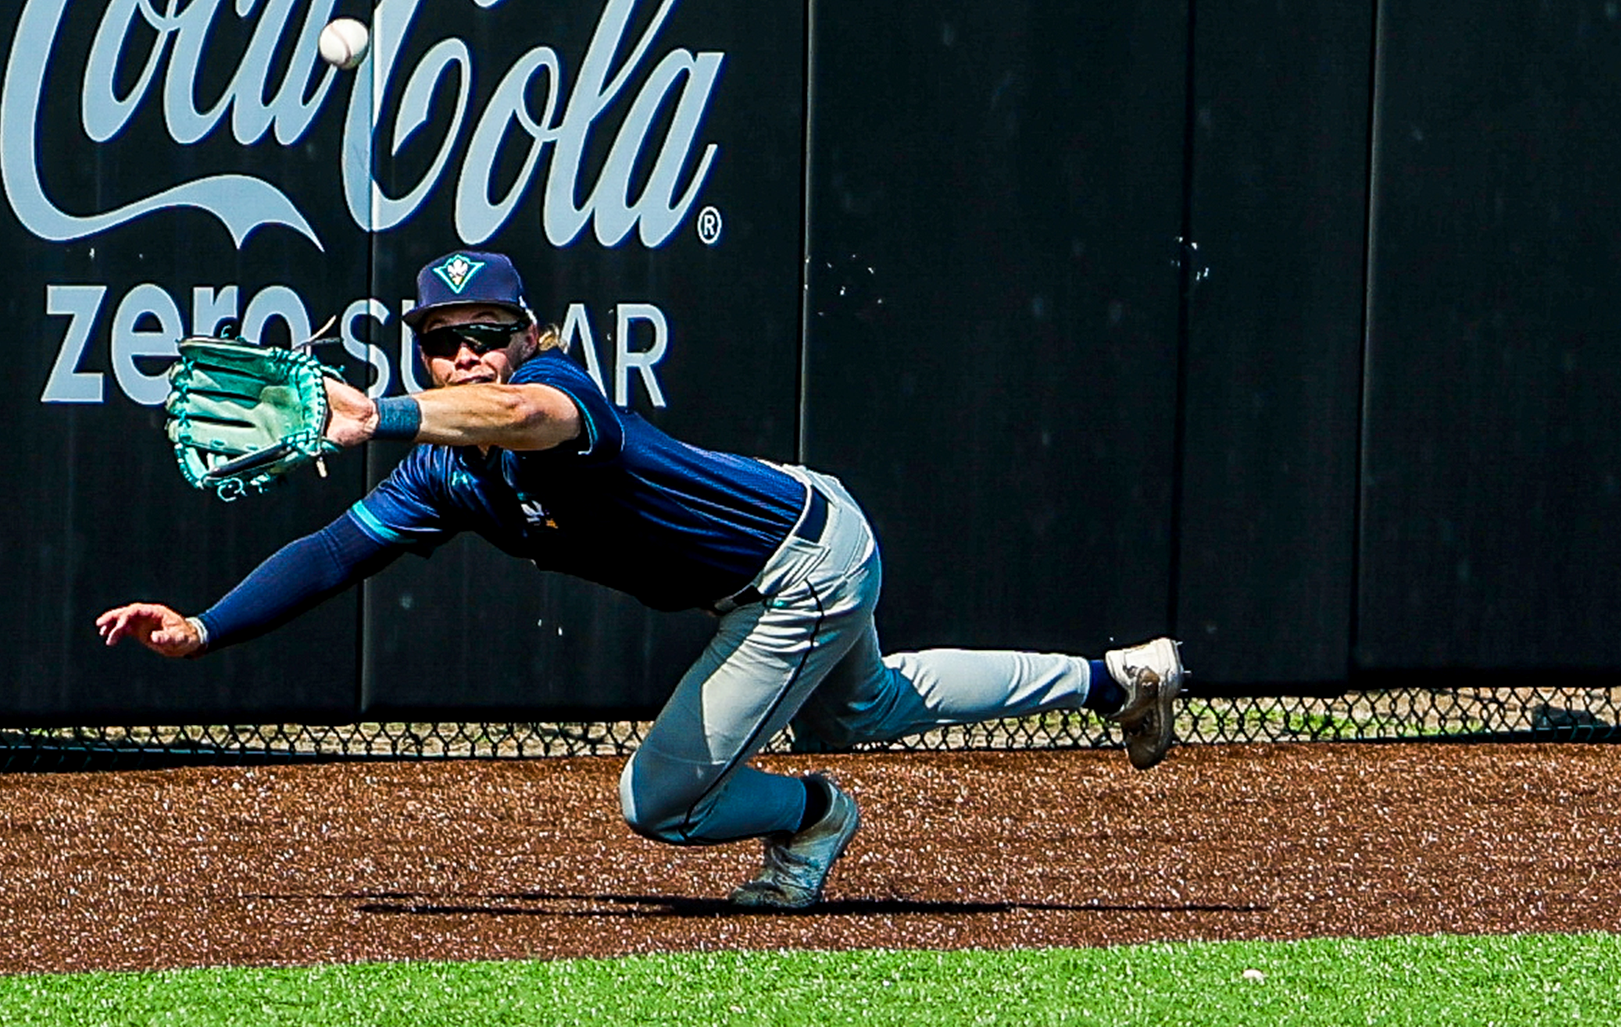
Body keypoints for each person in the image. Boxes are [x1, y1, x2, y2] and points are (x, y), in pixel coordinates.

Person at [97, 249, 1186, 910]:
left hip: (795, 563)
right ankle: (1119, 680)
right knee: (870, 705)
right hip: (803, 529)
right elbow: (336, 550)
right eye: (443, 340)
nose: (469, 355)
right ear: (424, 350)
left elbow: (525, 418)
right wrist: (206, 626)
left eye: (487, 334)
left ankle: (812, 814)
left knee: (655, 802)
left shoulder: (555, 392)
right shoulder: (439, 476)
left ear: (530, 335)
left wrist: (380, 412)